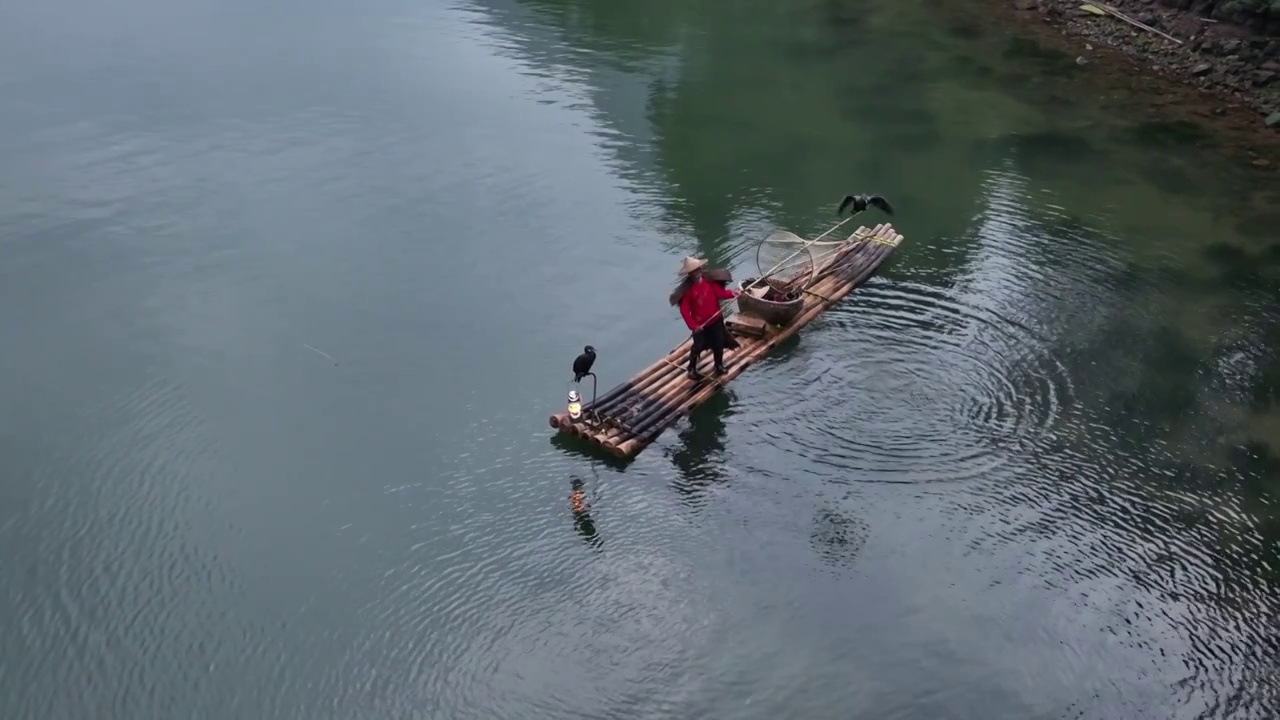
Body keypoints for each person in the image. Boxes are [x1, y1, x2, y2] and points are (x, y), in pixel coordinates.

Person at [669, 256, 738, 379]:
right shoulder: (688, 290)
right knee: (698, 346)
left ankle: (718, 365)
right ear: (689, 274)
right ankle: (691, 369)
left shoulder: (709, 281)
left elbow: (720, 293)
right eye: (692, 272)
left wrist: (733, 293)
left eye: (697, 270)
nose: (695, 274)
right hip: (700, 325)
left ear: (700, 270)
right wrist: (694, 326)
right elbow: (684, 311)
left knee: (719, 343)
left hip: (715, 320)